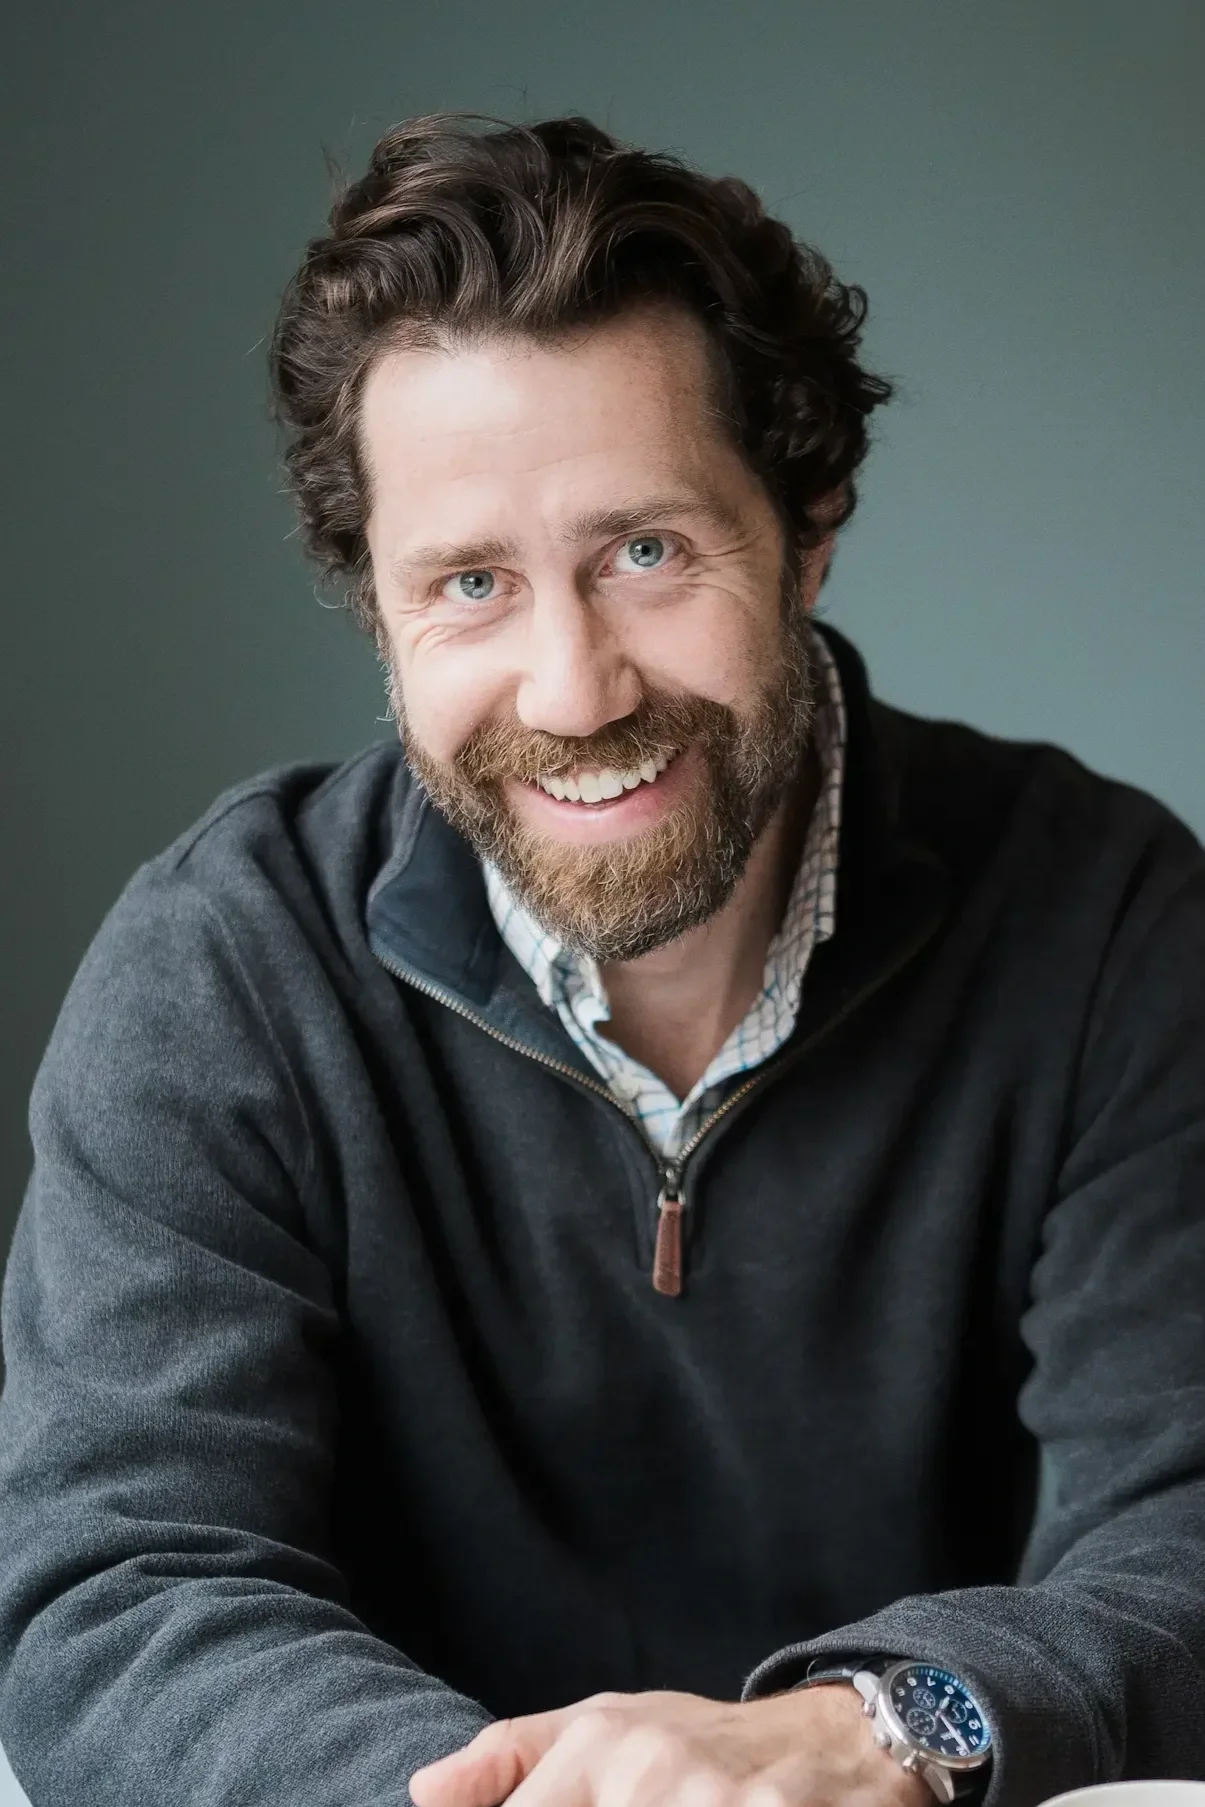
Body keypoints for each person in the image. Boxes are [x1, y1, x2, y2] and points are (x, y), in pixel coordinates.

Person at [1, 109, 1203, 1807]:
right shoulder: (220, 968)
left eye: (647, 552)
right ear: (381, 608)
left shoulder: (1114, 925)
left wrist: (877, 1725)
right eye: (473, 583)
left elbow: (1189, 1538)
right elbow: (119, 1592)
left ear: (810, 519)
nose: (573, 691)